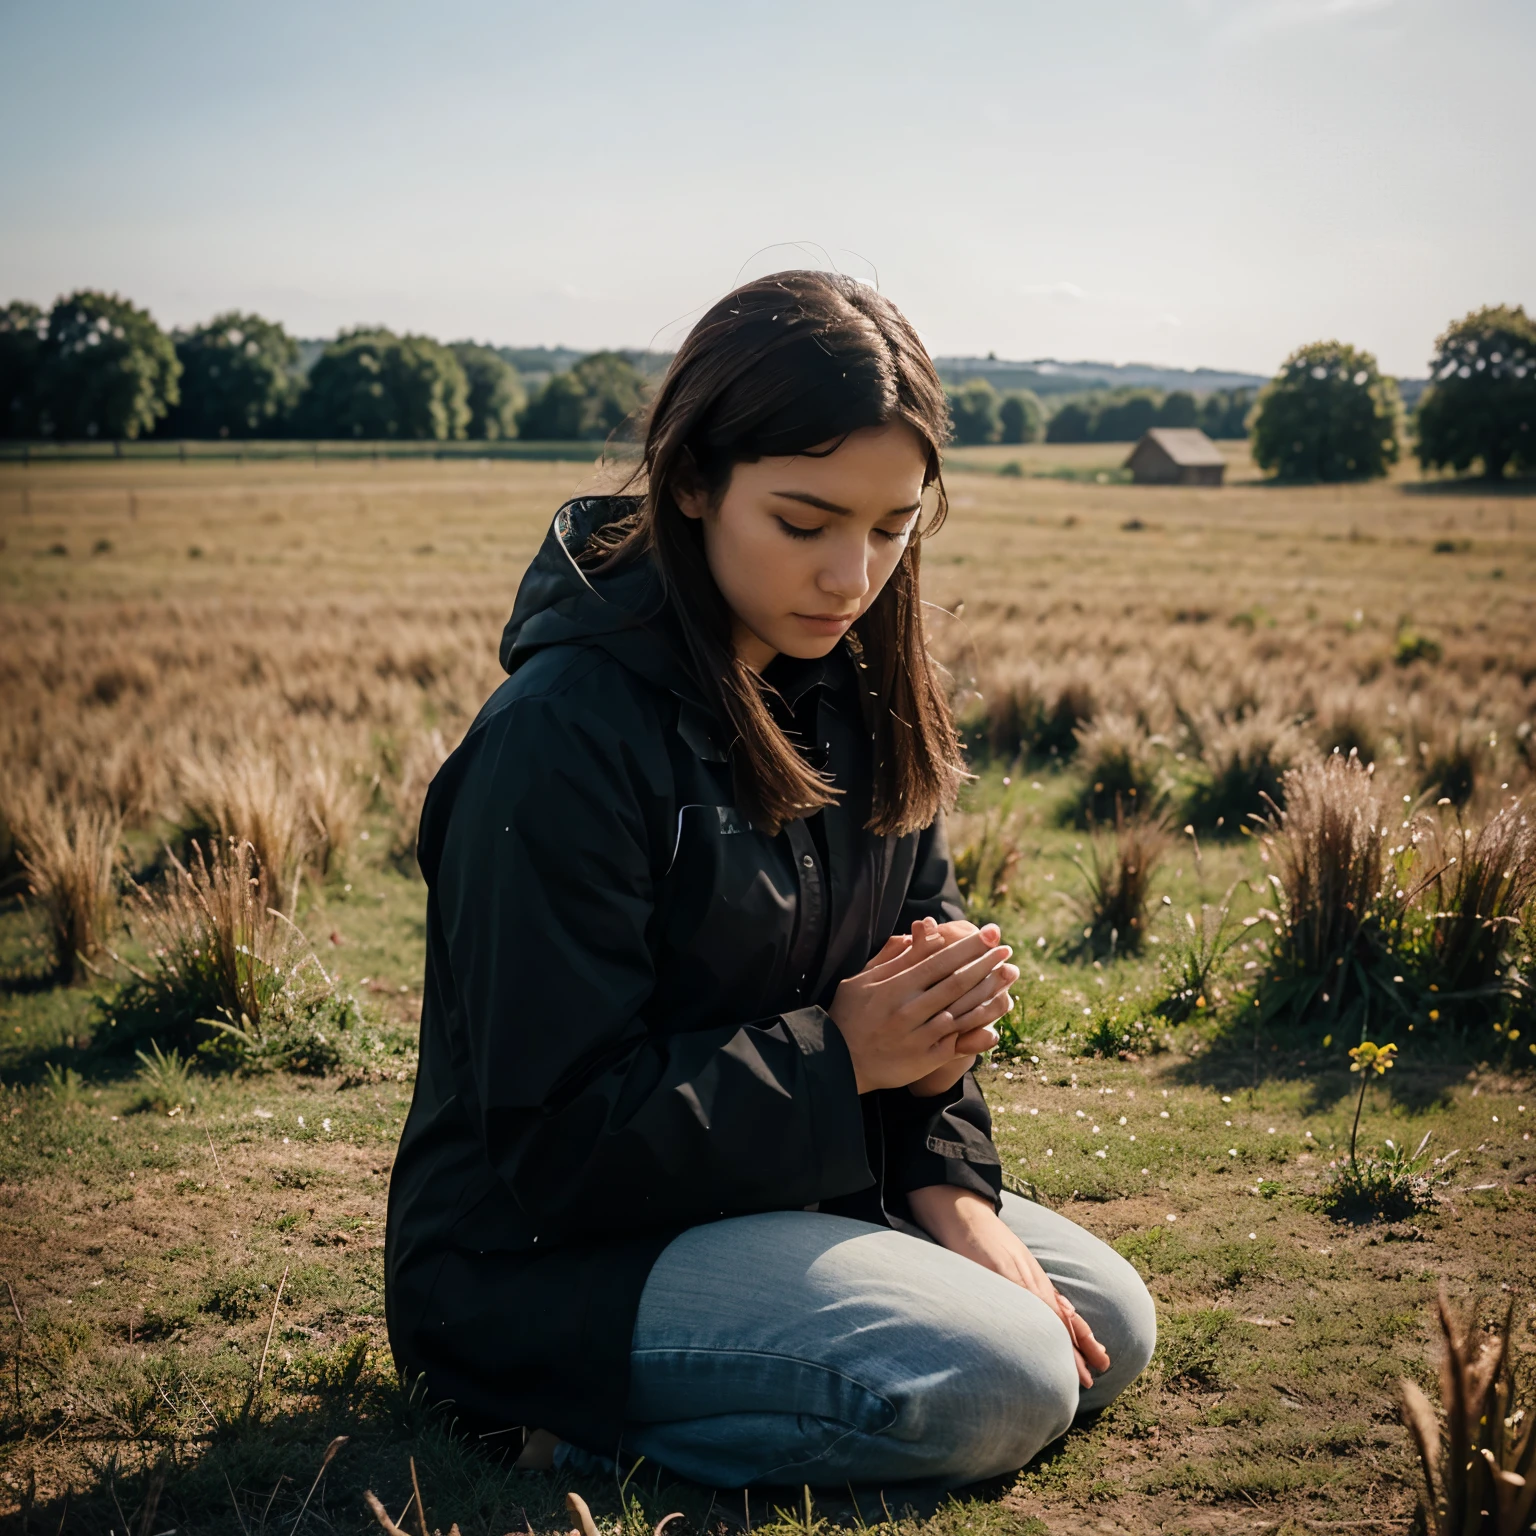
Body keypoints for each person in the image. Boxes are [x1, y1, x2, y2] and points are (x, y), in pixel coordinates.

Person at [383, 271, 1155, 1489]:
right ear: (693, 480)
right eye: (805, 523)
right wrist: (838, 1058)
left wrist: (947, 1190)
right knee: (1007, 1381)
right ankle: (548, 1425)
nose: (854, 577)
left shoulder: (869, 696)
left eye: (894, 528)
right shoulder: (558, 741)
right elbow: (554, 1144)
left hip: (790, 1190)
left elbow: (925, 1003)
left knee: (1113, 1328)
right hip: (540, 1262)